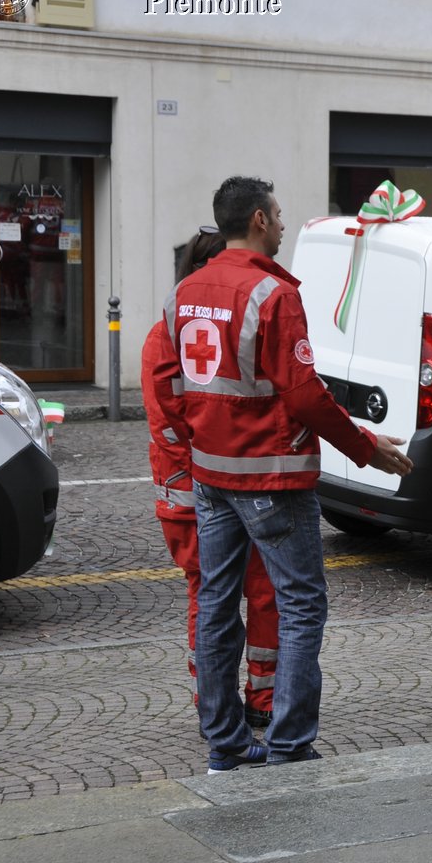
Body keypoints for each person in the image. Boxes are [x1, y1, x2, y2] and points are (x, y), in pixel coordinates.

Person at [158, 177, 413, 772]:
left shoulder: (185, 292)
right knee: (302, 606)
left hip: (210, 474)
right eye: (277, 215)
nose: (280, 224)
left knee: (217, 605)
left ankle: (224, 742)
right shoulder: (273, 295)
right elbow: (303, 395)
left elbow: (171, 389)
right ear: (256, 220)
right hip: (269, 475)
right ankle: (291, 744)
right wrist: (365, 447)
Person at [143, 229, 278, 729]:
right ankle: (235, 699)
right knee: (232, 594)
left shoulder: (168, 328)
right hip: (216, 486)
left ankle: (230, 699)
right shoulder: (213, 321)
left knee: (225, 595)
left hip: (202, 487)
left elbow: (169, 414)